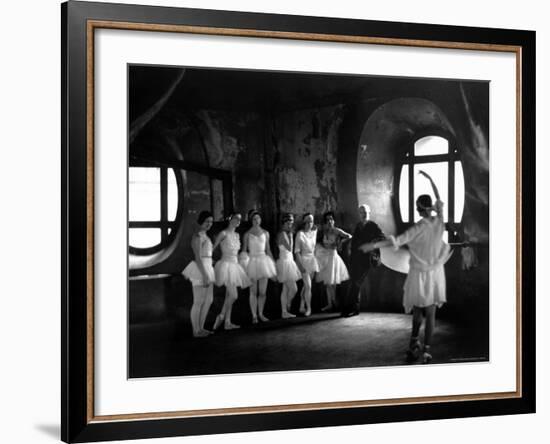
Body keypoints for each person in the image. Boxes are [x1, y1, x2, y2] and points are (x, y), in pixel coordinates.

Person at [360, 171, 452, 363]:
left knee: (418, 312)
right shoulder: (440, 221)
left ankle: (413, 343)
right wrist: (430, 179)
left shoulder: (418, 228)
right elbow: (440, 199)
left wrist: (373, 245)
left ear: (419, 209)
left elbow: (396, 241)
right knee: (431, 312)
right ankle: (426, 350)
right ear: (431, 208)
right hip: (435, 273)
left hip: (418, 274)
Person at [340, 204, 385, 317]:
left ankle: (348, 309)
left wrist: (371, 245)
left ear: (369, 213)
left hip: (367, 259)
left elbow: (382, 238)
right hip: (356, 259)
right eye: (361, 212)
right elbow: (354, 242)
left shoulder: (373, 225)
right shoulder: (358, 225)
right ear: (359, 214)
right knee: (355, 283)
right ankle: (355, 309)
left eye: (365, 212)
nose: (363, 214)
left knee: (355, 283)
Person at [212, 213, 251, 330]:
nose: (239, 220)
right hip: (225, 265)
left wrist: (243, 261)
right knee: (234, 295)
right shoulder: (223, 233)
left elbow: (236, 252)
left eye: (240, 219)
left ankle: (227, 323)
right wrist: (210, 259)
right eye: (236, 218)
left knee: (229, 295)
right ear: (230, 219)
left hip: (235, 265)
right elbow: (213, 247)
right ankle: (221, 316)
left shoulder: (237, 235)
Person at [181, 211, 216, 337]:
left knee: (209, 300)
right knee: (198, 301)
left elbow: (207, 255)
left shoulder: (206, 236)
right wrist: (205, 275)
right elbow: (198, 257)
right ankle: (196, 330)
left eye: (211, 222)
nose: (209, 224)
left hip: (208, 267)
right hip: (201, 269)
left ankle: (201, 328)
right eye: (207, 221)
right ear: (201, 221)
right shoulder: (197, 236)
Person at [241, 212, 277, 323]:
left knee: (262, 292)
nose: (257, 220)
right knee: (253, 291)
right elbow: (244, 250)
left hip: (263, 261)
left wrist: (273, 264)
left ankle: (261, 313)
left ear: (260, 220)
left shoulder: (266, 233)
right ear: (251, 220)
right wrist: (242, 264)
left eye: (258, 218)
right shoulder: (247, 234)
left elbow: (268, 250)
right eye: (254, 219)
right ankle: (254, 315)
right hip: (252, 261)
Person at [315, 211, 352, 312]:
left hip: (333, 258)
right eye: (327, 220)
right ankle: (330, 304)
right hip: (325, 258)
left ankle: (335, 302)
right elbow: (321, 243)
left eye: (331, 219)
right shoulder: (324, 231)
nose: (330, 221)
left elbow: (349, 236)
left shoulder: (337, 230)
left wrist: (340, 242)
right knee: (328, 284)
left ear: (334, 220)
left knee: (333, 283)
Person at [275, 213, 301, 319]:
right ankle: (288, 305)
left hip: (289, 261)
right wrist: (291, 236)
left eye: (292, 223)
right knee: (293, 289)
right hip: (285, 263)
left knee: (285, 290)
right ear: (284, 223)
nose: (291, 225)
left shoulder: (286, 233)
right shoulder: (282, 234)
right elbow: (290, 248)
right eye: (289, 223)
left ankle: (284, 312)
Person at [294, 213, 320, 317]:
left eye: (312, 221)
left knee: (306, 286)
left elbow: (316, 230)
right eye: (308, 221)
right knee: (308, 286)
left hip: (312, 261)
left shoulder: (314, 232)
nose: (310, 223)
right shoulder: (300, 234)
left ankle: (301, 305)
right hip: (303, 260)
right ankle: (309, 308)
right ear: (304, 222)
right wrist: (301, 265)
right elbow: (296, 251)